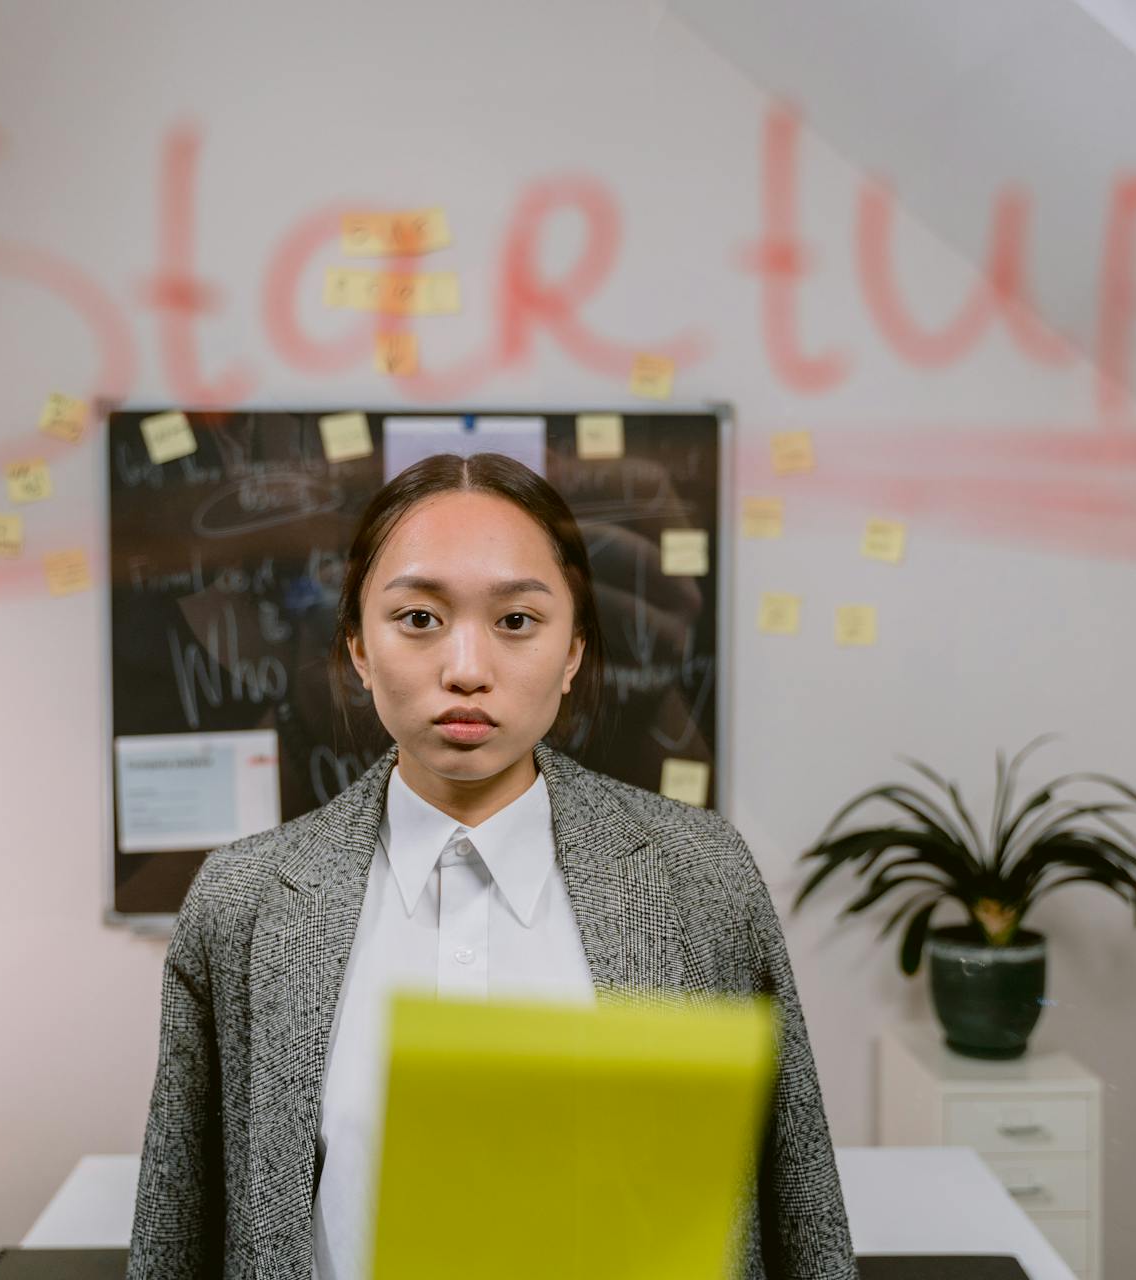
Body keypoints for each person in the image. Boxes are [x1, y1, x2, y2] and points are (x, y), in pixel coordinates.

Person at [129, 452, 856, 1280]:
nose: (467, 670)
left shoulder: (699, 876)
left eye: (516, 621)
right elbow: (175, 1232)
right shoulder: (243, 903)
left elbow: (799, 1209)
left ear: (574, 651)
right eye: (418, 618)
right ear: (359, 649)